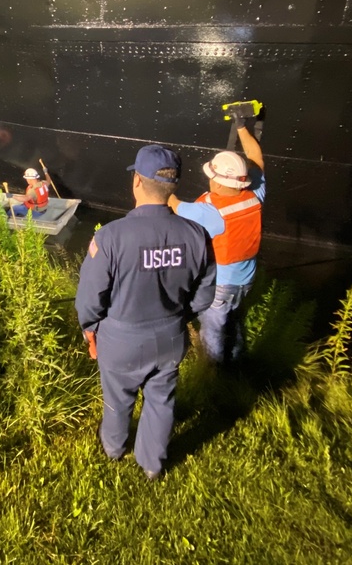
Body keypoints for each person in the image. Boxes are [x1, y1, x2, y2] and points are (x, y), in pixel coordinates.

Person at [75, 145, 217, 480]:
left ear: (137, 182)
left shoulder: (110, 237)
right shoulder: (197, 235)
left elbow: (89, 299)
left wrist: (89, 328)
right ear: (173, 187)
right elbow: (206, 293)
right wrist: (182, 317)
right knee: (161, 399)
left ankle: (114, 448)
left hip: (120, 338)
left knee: (117, 398)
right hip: (170, 335)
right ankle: (152, 464)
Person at [169, 119, 264, 364]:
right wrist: (242, 126)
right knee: (235, 325)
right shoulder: (255, 195)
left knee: (213, 333)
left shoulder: (210, 212)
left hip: (220, 286)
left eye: (211, 175)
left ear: (219, 182)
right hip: (246, 281)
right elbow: (256, 158)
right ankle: (238, 364)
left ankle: (213, 375)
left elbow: (172, 204)